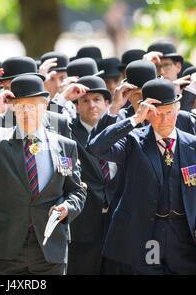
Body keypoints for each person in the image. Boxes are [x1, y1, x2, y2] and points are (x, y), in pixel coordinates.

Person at [88, 78, 196, 274]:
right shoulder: (133, 142)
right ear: (147, 114)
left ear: (178, 109)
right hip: (146, 239)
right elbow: (97, 147)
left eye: (169, 112)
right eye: (157, 114)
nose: (164, 119)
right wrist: (134, 119)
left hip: (185, 240)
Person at [0, 71, 86, 275]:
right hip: (6, 245)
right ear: (13, 108)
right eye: (21, 106)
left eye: (32, 106)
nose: (26, 112)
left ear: (44, 106)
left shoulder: (64, 146)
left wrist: (67, 207)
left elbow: (76, 191)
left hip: (49, 244)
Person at [66, 75, 120, 274]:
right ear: (77, 106)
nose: (91, 105)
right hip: (83, 225)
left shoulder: (121, 130)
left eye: (97, 99)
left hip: (117, 222)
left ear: (107, 103)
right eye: (84, 100)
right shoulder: (68, 132)